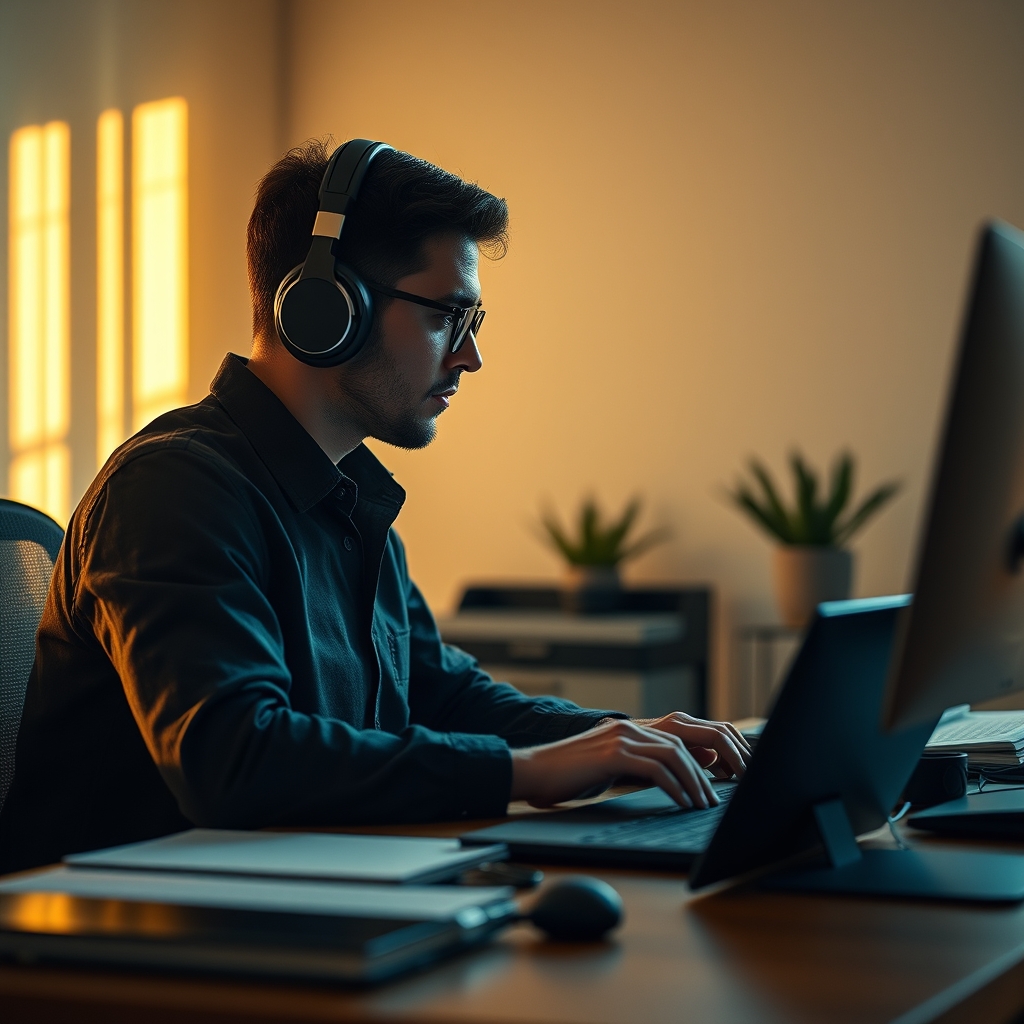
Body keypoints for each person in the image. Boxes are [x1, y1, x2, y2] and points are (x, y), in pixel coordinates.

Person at [0, 140, 749, 874]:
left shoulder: (352, 501)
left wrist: (618, 737)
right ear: (327, 308)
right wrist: (524, 773)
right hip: (130, 927)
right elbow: (236, 758)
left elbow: (441, 694)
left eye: (474, 323)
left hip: (295, 891)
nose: (470, 356)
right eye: (447, 316)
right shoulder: (174, 487)